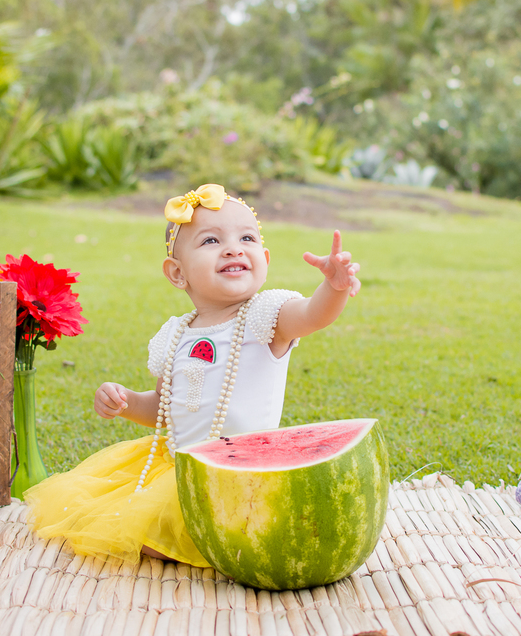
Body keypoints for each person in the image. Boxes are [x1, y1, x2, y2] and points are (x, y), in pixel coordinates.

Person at [25, 183, 361, 565]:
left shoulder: (267, 317)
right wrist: (126, 402)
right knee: (128, 523)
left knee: (216, 532)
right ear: (177, 273)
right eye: (211, 241)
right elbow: (164, 408)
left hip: (244, 472)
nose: (233, 249)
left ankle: (201, 538)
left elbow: (313, 315)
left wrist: (333, 288)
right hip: (180, 469)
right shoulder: (174, 335)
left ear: (264, 258)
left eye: (247, 238)